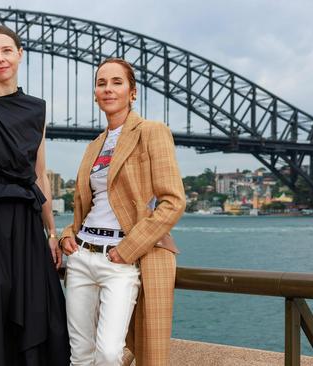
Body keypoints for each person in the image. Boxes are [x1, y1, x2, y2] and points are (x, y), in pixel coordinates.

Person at [0, 25, 70, 366]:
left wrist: (52, 232)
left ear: (20, 54)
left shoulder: (37, 109)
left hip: (29, 226)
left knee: (43, 315)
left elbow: (39, 175)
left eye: (6, 51)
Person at [60, 57, 186, 366]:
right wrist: (67, 235)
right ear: (95, 94)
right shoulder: (95, 145)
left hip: (120, 258)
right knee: (80, 355)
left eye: (117, 82)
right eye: (101, 83)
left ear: (132, 92)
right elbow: (87, 207)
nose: (108, 89)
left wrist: (128, 249)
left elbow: (173, 201)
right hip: (82, 257)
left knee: (108, 353)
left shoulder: (151, 132)